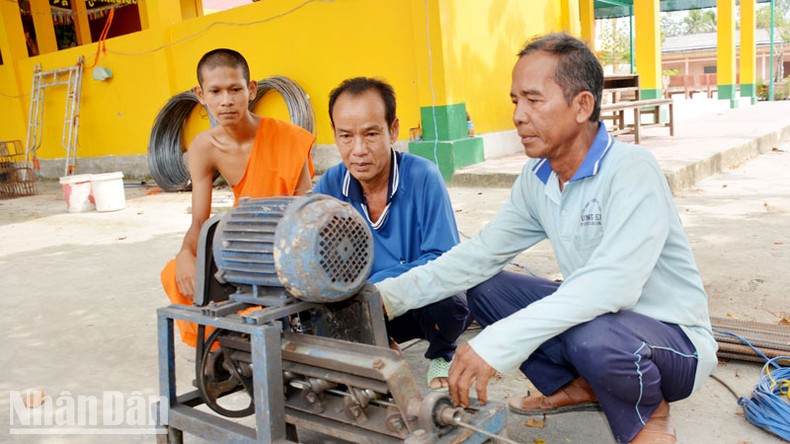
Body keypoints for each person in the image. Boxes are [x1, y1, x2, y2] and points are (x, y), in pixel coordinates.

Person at [374, 33, 717, 444]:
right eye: (515, 100)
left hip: (672, 341)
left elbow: (614, 285)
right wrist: (383, 297)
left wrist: (496, 343)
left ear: (582, 105)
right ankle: (582, 385)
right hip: (601, 320)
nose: (519, 115)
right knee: (485, 285)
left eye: (534, 100)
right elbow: (478, 256)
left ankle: (650, 414)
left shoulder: (632, 170)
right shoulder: (536, 179)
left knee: (597, 337)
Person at [313, 77, 470, 390]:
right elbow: (307, 250)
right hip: (360, 305)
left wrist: (372, 289)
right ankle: (377, 345)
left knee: (451, 301)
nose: (358, 150)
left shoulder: (423, 176)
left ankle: (442, 353)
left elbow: (444, 259)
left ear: (393, 130)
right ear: (335, 135)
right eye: (346, 136)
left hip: (412, 302)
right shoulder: (331, 184)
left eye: (371, 134)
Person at [161, 48, 315, 347]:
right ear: (200, 94)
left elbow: (305, 210)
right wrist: (184, 255)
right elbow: (199, 221)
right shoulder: (203, 147)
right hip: (242, 238)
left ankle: (256, 337)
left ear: (251, 90)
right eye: (215, 91)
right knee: (175, 273)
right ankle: (220, 351)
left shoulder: (288, 137)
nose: (226, 100)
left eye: (235, 89)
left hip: (288, 241)